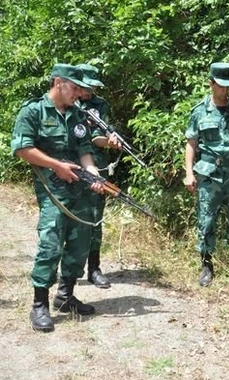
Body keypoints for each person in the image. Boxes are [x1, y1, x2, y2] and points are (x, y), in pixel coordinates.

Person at [11, 63, 104, 332]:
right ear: (58, 83)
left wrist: (94, 175)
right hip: (52, 190)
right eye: (74, 88)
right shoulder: (33, 111)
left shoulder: (77, 115)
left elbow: (85, 150)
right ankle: (39, 304)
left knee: (79, 243)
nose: (78, 93)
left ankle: (65, 296)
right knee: (51, 244)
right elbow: (22, 148)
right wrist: (56, 165)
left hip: (80, 189)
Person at [184, 62, 229, 287]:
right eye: (222, 86)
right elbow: (191, 144)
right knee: (207, 219)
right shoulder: (199, 112)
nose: (226, 91)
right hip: (209, 173)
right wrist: (189, 172)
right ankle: (206, 265)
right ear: (211, 84)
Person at [77, 63, 119, 289]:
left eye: (94, 87)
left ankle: (93, 268)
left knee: (95, 218)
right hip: (67, 165)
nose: (90, 92)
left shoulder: (99, 105)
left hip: (95, 165)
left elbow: (96, 137)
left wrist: (112, 142)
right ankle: (65, 268)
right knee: (66, 218)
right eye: (87, 87)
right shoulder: (65, 102)